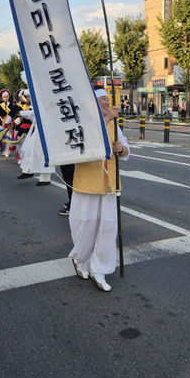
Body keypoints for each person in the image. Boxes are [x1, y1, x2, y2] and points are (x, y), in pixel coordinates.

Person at [68, 87, 130, 292]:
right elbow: (84, 141)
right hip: (87, 182)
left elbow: (124, 145)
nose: (106, 102)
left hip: (109, 183)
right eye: (102, 99)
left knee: (108, 228)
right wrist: (108, 119)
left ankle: (100, 269)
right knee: (85, 225)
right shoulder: (81, 120)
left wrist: (122, 149)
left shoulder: (114, 123)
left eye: (107, 99)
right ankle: (80, 260)